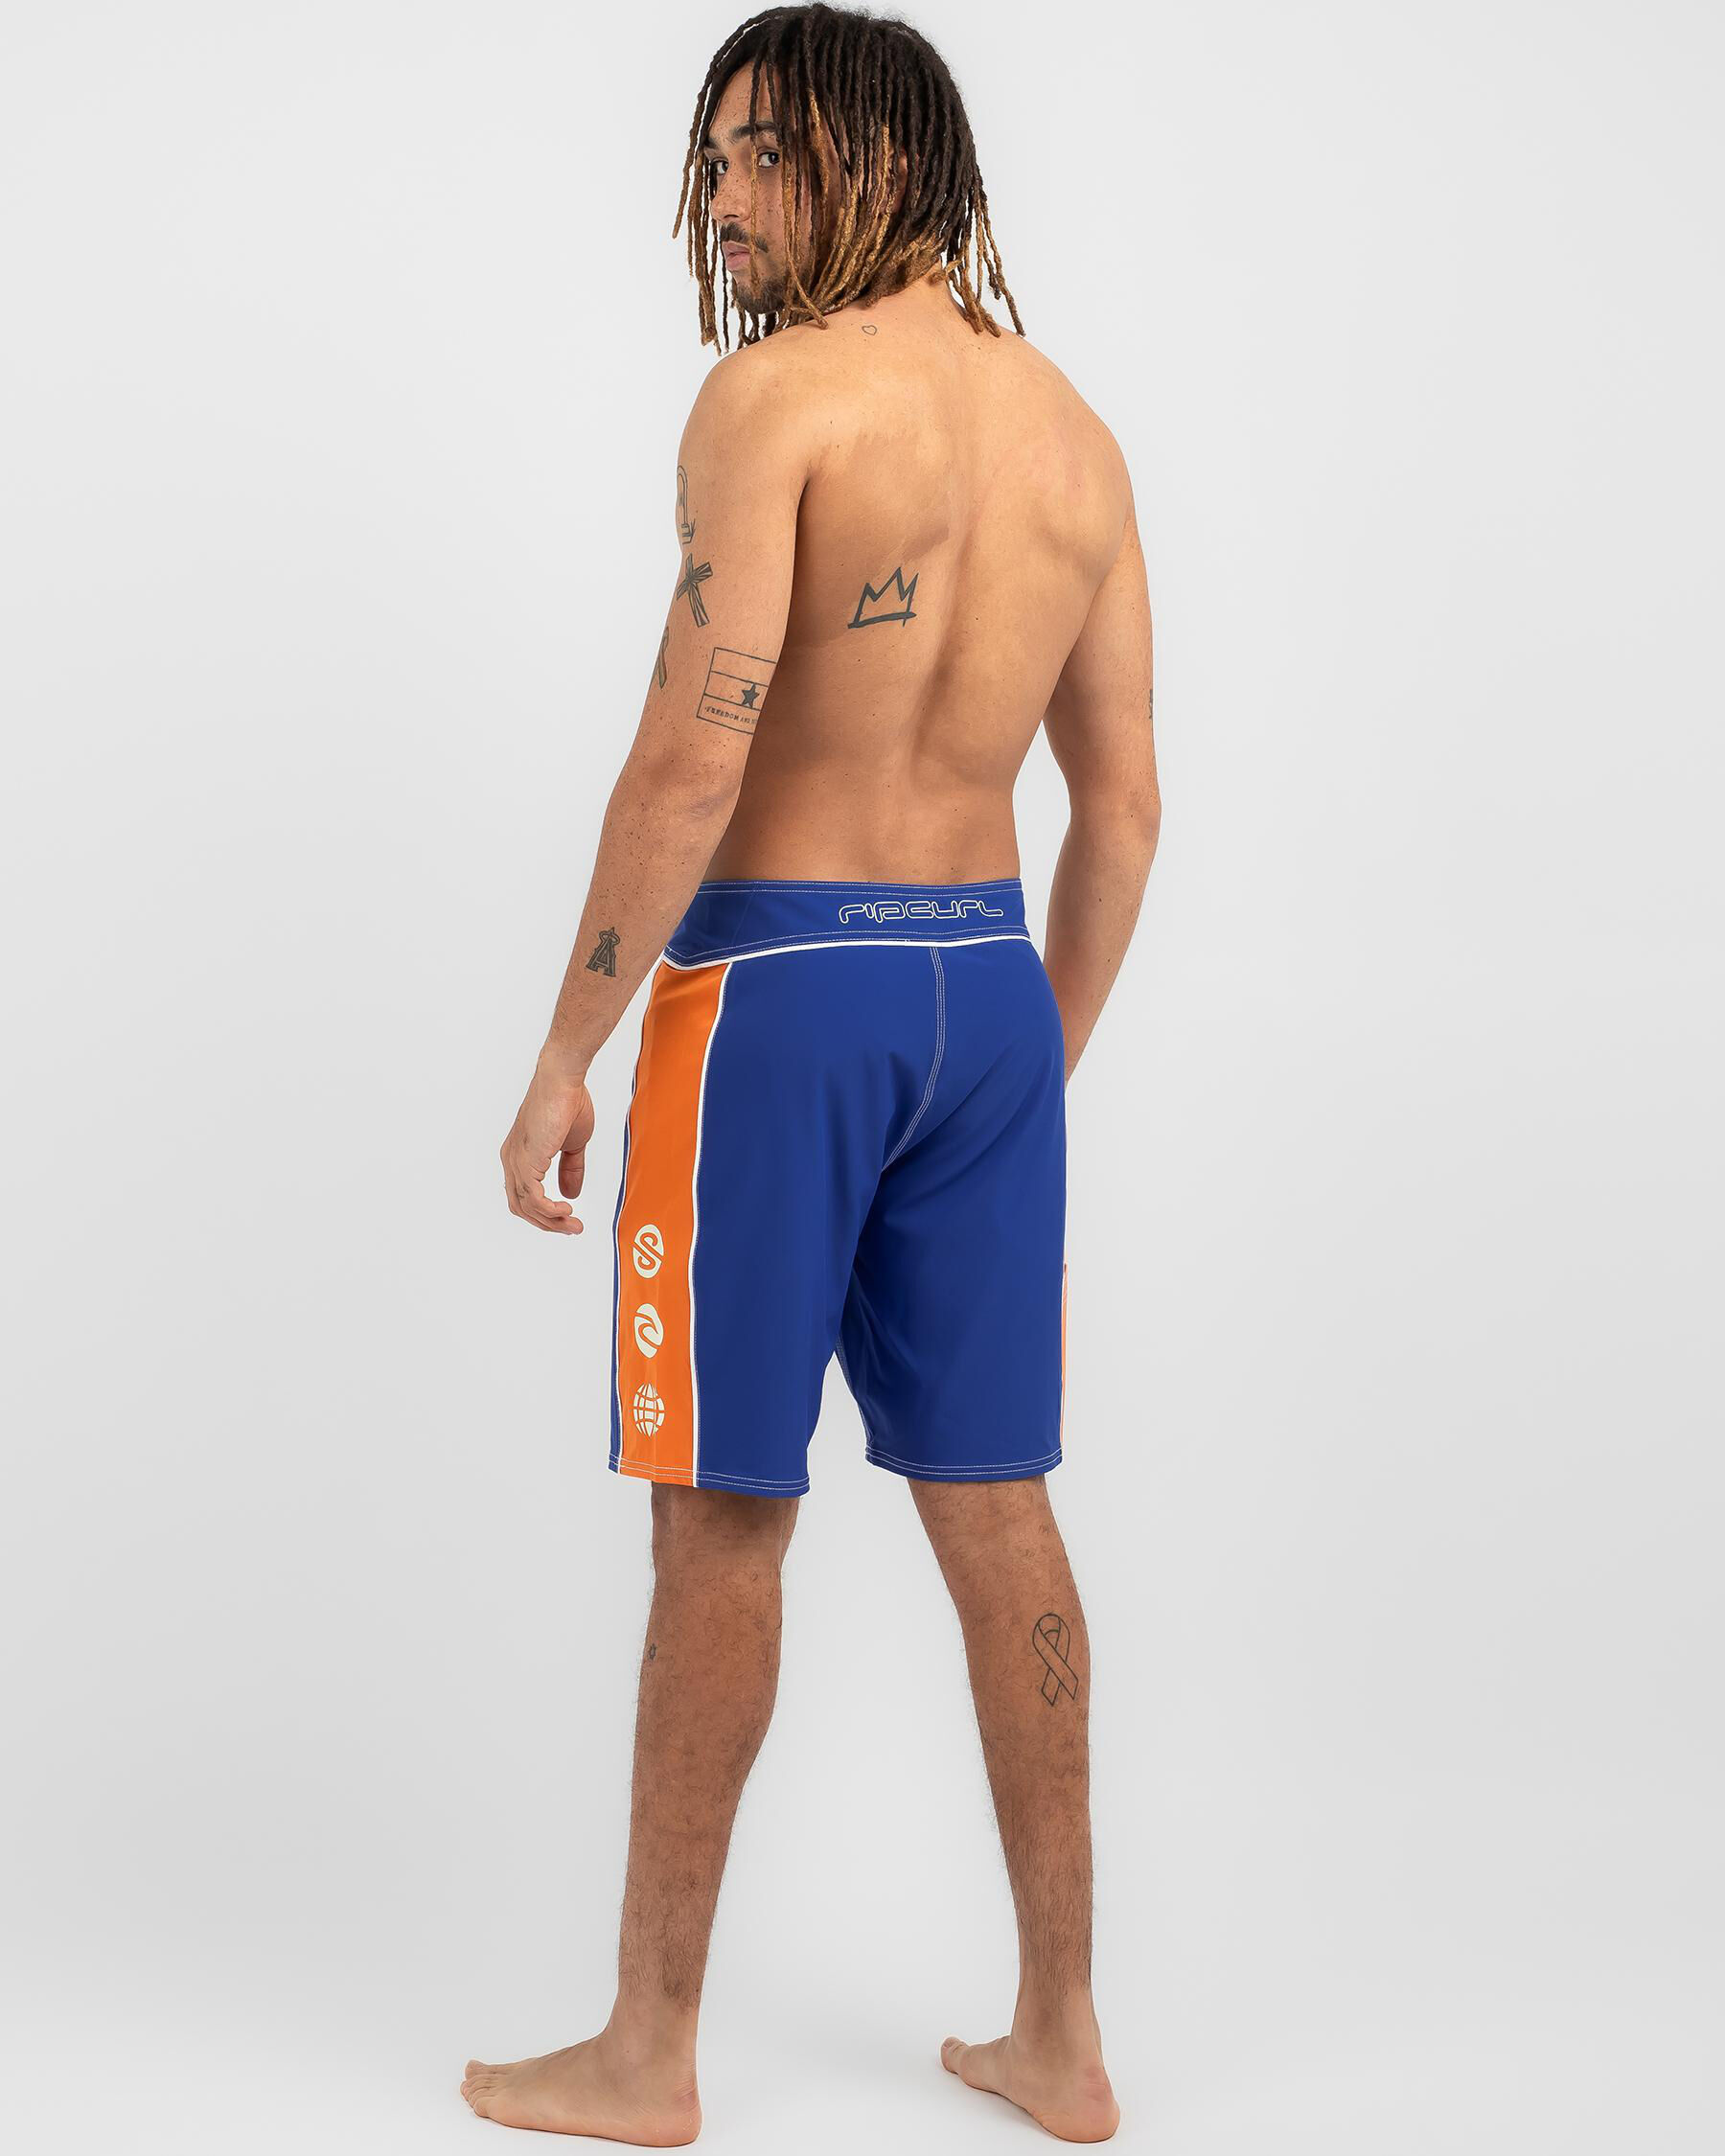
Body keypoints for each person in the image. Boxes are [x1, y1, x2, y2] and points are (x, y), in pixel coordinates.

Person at [472, 6, 1158, 2142]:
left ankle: (646, 2051)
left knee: (721, 1514)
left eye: (764, 156)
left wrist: (566, 1049)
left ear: (879, 159)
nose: (723, 200)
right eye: (715, 161)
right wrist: (1027, 1066)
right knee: (1000, 1505)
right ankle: (1063, 2035)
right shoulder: (1072, 438)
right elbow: (1125, 808)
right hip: (984, 993)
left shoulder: (772, 400)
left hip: (773, 992)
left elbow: (694, 756)